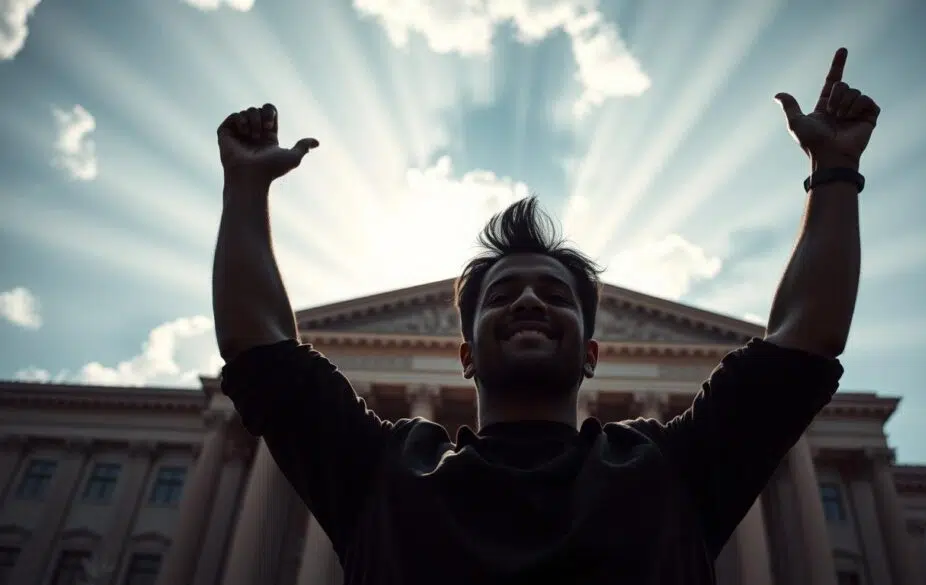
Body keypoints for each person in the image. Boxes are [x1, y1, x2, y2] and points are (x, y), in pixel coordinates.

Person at [212, 47, 880, 584]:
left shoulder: (666, 468)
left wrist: (835, 170)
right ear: (465, 353)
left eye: (555, 295)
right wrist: (245, 187)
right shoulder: (386, 470)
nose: (529, 300)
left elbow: (805, 338)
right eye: (502, 295)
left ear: (592, 352)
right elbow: (258, 345)